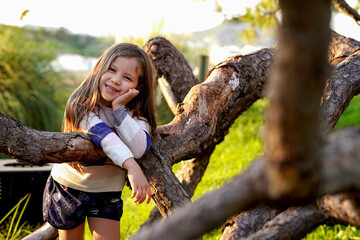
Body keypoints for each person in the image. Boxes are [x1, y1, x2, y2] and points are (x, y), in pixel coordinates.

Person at [43, 43, 157, 240]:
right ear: (99, 68)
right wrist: (132, 167)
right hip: (68, 186)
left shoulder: (136, 116)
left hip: (106, 190)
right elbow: (104, 136)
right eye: (111, 70)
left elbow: (139, 148)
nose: (116, 80)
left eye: (127, 77)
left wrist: (119, 109)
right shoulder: (81, 106)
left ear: (138, 88)